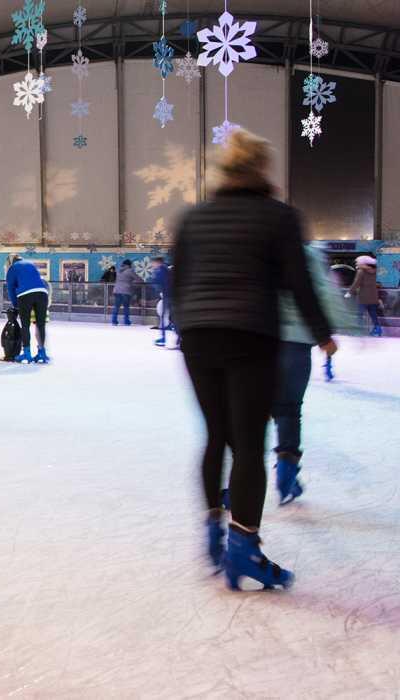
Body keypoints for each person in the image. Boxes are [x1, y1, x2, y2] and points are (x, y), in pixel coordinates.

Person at [171, 128, 336, 591]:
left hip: (200, 339)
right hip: (251, 335)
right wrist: (322, 333)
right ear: (262, 169)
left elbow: (177, 283)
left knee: (215, 437)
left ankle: (212, 531)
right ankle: (244, 548)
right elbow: (298, 283)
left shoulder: (194, 218)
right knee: (247, 445)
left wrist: (190, 327)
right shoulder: (279, 217)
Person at [270, 244, 355, 508]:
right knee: (289, 410)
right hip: (296, 343)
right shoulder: (307, 254)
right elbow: (324, 291)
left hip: (260, 341)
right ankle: (286, 468)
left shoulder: (258, 247)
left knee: (246, 414)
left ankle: (232, 487)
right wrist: (335, 329)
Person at [5, 255, 50, 363]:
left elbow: (11, 288)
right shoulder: (30, 264)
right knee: (40, 324)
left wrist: (15, 304)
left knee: (25, 325)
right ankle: (42, 353)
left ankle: (26, 353)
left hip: (25, 295)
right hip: (42, 293)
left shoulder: (12, 268)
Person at [347, 255, 381, 337]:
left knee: (360, 315)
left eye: (358, 262)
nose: (357, 264)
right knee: (373, 314)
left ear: (362, 263)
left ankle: (359, 331)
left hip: (363, 297)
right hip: (373, 297)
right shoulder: (374, 271)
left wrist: (349, 292)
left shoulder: (361, 272)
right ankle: (378, 330)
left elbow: (356, 283)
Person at [148, 257, 174, 348]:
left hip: (168, 295)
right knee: (170, 316)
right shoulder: (167, 269)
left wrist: (153, 277)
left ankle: (164, 338)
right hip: (171, 295)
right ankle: (176, 338)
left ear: (157, 262)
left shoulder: (162, 270)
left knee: (164, 317)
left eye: (153, 263)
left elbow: (157, 281)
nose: (152, 265)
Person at [112, 259, 142, 326]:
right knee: (126, 307)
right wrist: (132, 282)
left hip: (117, 290)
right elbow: (139, 279)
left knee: (116, 306)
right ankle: (126, 321)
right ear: (129, 265)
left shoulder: (118, 270)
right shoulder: (130, 271)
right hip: (126, 291)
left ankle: (114, 321)